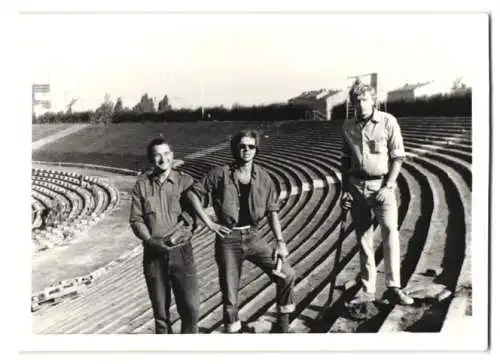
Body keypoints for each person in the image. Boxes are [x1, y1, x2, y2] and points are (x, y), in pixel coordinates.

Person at [187, 130, 296, 333]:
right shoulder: (220, 173)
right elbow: (193, 193)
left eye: (251, 146)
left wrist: (280, 241)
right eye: (242, 146)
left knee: (287, 274)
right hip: (228, 238)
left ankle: (283, 327)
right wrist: (209, 223)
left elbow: (272, 211)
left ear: (256, 149)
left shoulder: (264, 177)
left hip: (253, 236)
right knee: (230, 295)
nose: (246, 150)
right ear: (236, 148)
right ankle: (234, 334)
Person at [341, 83, 414, 306]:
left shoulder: (387, 121)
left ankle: (393, 287)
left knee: (390, 233)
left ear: (373, 100)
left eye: (364, 100)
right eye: (356, 101)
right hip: (356, 186)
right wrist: (345, 189)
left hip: (381, 186)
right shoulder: (348, 125)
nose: (360, 105)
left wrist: (389, 186)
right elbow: (345, 160)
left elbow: (398, 157)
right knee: (363, 238)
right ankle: (367, 288)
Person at [129, 137, 200, 334]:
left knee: (191, 309)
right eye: (157, 155)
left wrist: (174, 238)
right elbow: (136, 220)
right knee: (161, 315)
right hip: (153, 256)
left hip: (181, 253)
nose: (163, 159)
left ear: (172, 155)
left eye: (166, 154)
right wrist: (151, 241)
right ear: (151, 160)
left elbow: (191, 218)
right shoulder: (141, 186)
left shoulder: (185, 182)